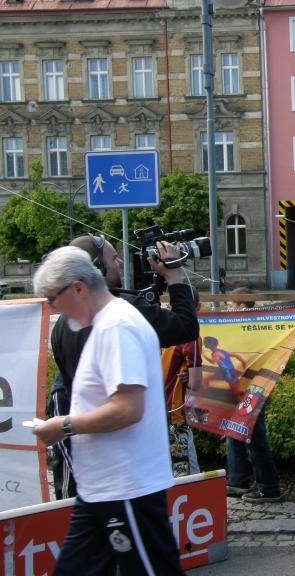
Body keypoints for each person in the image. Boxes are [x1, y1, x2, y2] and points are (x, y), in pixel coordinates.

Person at [32, 247, 184, 575]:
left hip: (126, 488)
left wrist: (64, 426)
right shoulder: (105, 324)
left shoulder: (117, 327)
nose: (52, 308)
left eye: (52, 299)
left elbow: (128, 409)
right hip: (102, 488)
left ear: (77, 288)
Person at [48, 233, 199, 499]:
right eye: (114, 258)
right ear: (97, 268)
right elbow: (185, 327)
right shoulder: (123, 313)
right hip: (129, 466)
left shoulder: (63, 323)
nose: (119, 263)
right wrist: (174, 275)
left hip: (91, 459)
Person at [224, 287, 283, 503]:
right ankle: (238, 479)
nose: (227, 310)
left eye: (230, 306)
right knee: (234, 430)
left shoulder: (251, 328)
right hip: (245, 388)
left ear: (241, 307)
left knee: (255, 436)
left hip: (254, 389)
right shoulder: (245, 327)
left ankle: (269, 487)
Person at [161, 287, 203, 477]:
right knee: (185, 471)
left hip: (157, 409)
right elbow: (195, 383)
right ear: (198, 307)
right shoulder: (191, 337)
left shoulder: (163, 330)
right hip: (174, 412)